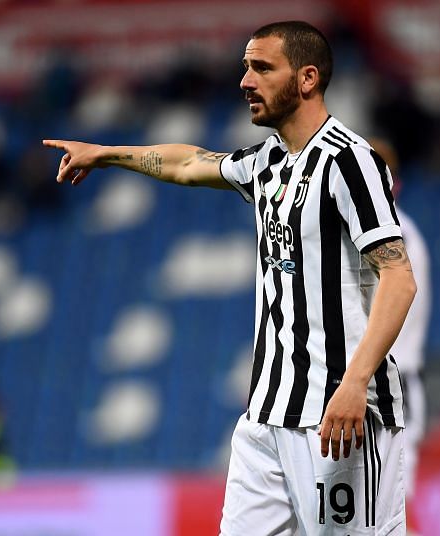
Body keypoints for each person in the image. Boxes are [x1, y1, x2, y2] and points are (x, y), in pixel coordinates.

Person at [44, 21, 416, 535]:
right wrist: (107, 154)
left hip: (338, 414)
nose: (245, 80)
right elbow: (189, 163)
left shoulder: (351, 163)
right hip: (266, 419)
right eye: (245, 67)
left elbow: (399, 277)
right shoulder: (267, 164)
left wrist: (355, 383)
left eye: (262, 67)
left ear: (307, 79)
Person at [370, 138, 432, 534]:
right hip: (376, 383)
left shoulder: (394, 238)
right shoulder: (385, 234)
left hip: (392, 384)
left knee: (392, 510)